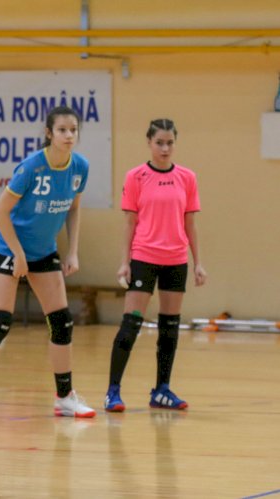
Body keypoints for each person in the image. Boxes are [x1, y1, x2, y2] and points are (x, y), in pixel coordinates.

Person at [0, 105, 96, 422]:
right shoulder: (31, 168)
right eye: (62, 130)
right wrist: (17, 254)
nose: (69, 135)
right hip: (8, 248)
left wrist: (73, 251)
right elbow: (0, 211)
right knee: (0, 320)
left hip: (43, 251)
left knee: (62, 321)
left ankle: (64, 396)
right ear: (49, 134)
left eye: (74, 130)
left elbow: (74, 209)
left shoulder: (80, 167)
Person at [104, 118, 206, 413]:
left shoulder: (187, 177)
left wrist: (198, 263)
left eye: (170, 143)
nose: (165, 148)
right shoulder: (136, 177)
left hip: (176, 261)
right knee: (131, 324)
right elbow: (129, 223)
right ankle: (113, 391)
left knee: (169, 328)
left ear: (175, 143)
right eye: (159, 142)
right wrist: (125, 262)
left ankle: (161, 390)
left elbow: (190, 224)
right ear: (149, 143)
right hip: (144, 258)